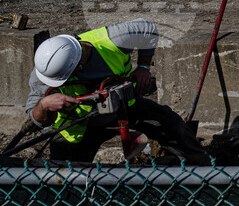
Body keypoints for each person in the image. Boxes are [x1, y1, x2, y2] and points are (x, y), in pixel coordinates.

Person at [26, 19, 209, 164]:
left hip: (124, 106)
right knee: (64, 176)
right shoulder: (45, 73)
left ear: (79, 63)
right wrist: (43, 105)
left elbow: (148, 30)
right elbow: (36, 118)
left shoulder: (112, 40)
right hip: (78, 127)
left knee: (171, 124)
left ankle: (202, 168)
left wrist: (143, 67)